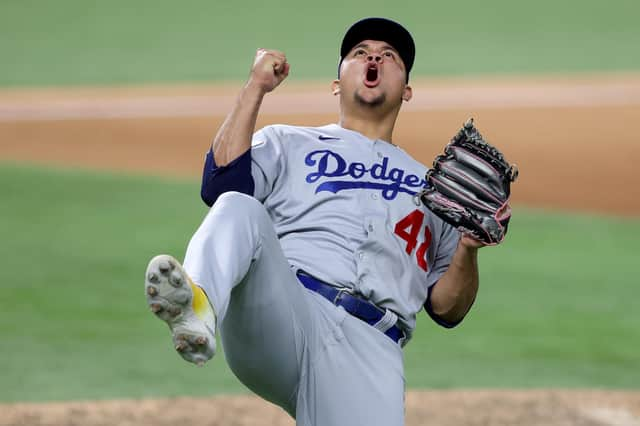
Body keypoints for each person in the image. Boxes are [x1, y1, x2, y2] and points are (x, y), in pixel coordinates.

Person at [145, 17, 484, 425]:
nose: (374, 56)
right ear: (336, 84)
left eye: (389, 55)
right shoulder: (289, 141)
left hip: (372, 344)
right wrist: (255, 88)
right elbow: (219, 185)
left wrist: (468, 247)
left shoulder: (436, 190)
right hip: (286, 311)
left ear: (407, 90)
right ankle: (197, 309)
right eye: (360, 53)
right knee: (241, 205)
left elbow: (447, 308)